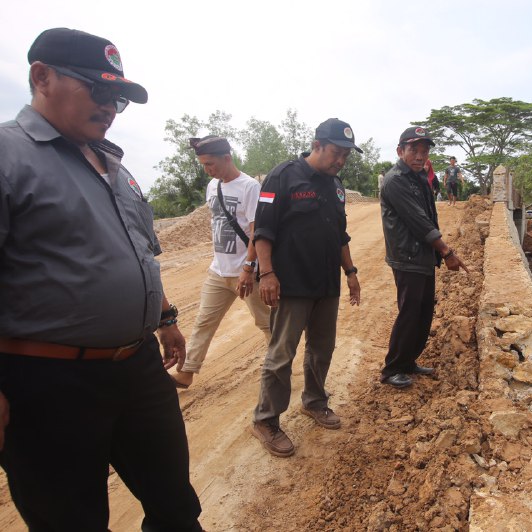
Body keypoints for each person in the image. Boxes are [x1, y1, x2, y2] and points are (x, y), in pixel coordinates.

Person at [0, 28, 202, 530]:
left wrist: (164, 317)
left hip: (137, 369)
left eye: (118, 97)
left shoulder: (114, 165)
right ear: (41, 76)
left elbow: (137, 254)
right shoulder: (8, 155)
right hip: (47, 386)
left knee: (175, 503)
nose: (110, 105)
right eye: (97, 89)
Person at [250, 118, 362, 457]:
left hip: (327, 283)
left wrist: (351, 271)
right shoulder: (283, 176)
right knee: (281, 353)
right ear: (316, 145)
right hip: (292, 283)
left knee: (322, 348)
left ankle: (314, 401)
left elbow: (339, 234)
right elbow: (263, 231)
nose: (340, 160)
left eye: (346, 155)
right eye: (336, 153)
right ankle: (266, 419)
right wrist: (266, 274)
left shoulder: (336, 185)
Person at [171, 135, 271, 389]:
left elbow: (256, 230)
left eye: (210, 164)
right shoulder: (212, 186)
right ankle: (187, 372)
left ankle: (280, 366)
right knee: (204, 321)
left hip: (247, 272)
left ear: (227, 158)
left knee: (266, 322)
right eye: (204, 165)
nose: (207, 170)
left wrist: (249, 268)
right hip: (219, 270)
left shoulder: (249, 187)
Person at [379, 127, 468, 388]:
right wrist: (446, 250)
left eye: (424, 151)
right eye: (413, 150)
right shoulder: (395, 180)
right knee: (410, 312)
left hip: (422, 256)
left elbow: (429, 216)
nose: (419, 156)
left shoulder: (419, 177)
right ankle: (392, 368)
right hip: (407, 257)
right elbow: (418, 221)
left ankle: (408, 361)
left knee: (423, 311)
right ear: (400, 151)